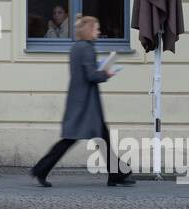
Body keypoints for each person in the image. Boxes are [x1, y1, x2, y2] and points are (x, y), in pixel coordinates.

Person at [30, 15, 135, 187]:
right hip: (87, 104)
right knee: (73, 139)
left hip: (80, 100)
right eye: (96, 28)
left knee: (100, 137)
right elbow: (91, 75)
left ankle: (116, 173)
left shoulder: (76, 47)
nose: (99, 31)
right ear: (89, 30)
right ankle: (41, 169)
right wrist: (107, 73)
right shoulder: (87, 48)